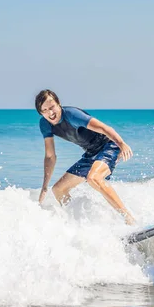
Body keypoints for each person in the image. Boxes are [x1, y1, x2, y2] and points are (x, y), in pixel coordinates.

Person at [35, 89, 136, 225]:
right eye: (45, 110)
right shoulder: (45, 124)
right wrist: (44, 187)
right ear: (41, 113)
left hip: (109, 145)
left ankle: (129, 219)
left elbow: (103, 128)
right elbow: (50, 156)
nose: (50, 113)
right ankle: (80, 224)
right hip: (90, 153)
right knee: (58, 190)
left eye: (52, 107)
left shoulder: (71, 115)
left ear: (58, 104)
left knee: (94, 178)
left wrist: (121, 144)